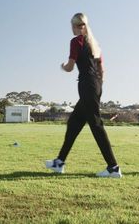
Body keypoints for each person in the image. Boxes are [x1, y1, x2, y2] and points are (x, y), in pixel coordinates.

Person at [45, 13, 122, 178]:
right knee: (74, 122)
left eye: (73, 26)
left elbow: (70, 67)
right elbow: (102, 69)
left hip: (87, 85)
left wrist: (62, 66)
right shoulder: (95, 43)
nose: (72, 29)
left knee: (96, 124)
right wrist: (98, 85)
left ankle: (113, 167)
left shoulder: (76, 41)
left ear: (75, 26)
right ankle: (59, 162)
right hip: (96, 85)